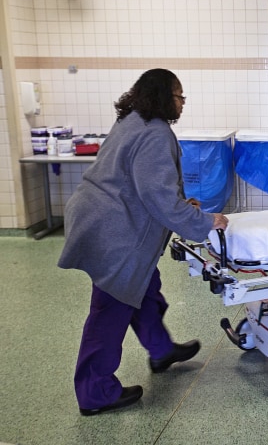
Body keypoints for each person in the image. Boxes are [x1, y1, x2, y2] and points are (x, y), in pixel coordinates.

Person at [58, 68, 229, 416]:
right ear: (163, 96)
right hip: (114, 233)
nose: (182, 103)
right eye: (179, 96)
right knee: (110, 309)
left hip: (104, 220)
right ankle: (95, 392)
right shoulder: (154, 133)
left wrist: (182, 205)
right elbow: (157, 196)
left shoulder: (133, 121)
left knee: (145, 288)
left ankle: (161, 349)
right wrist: (204, 221)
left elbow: (146, 184)